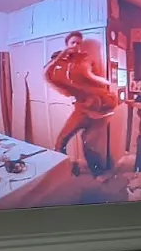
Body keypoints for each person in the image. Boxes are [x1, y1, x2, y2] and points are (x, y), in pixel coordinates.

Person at [44, 31, 118, 175]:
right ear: (67, 45)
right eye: (73, 43)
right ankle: (67, 168)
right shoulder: (61, 61)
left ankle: (97, 172)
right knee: (61, 141)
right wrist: (61, 57)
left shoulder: (86, 60)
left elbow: (98, 81)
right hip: (81, 108)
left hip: (97, 106)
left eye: (79, 43)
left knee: (89, 143)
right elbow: (48, 74)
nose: (76, 46)